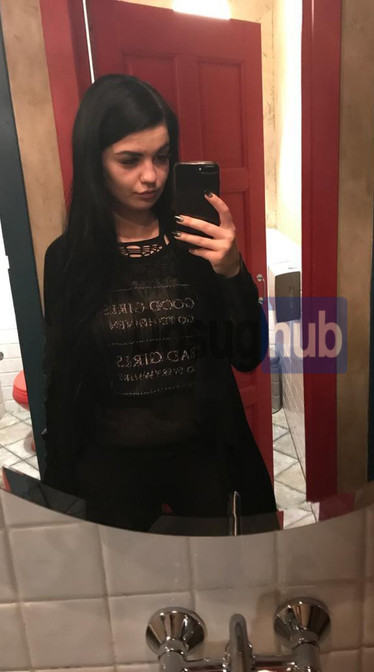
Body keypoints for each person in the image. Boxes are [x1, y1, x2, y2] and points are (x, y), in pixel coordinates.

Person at [42, 74, 277, 533]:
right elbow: (62, 374)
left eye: (162, 157)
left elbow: (247, 355)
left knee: (217, 569)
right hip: (110, 469)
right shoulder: (66, 259)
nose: (151, 176)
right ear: (94, 161)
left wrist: (233, 272)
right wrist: (59, 476)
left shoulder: (197, 244)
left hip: (202, 458)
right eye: (130, 160)